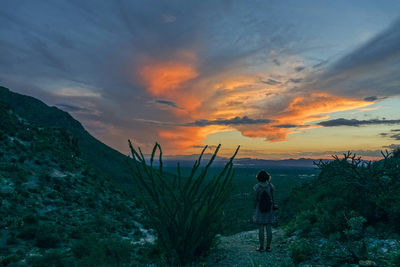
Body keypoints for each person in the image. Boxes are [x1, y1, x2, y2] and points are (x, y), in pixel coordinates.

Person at [253, 170, 275, 252]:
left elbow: (255, 199)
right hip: (269, 209)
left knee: (261, 228)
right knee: (269, 228)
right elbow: (272, 197)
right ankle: (268, 247)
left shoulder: (257, 187)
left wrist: (254, 206)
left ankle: (261, 247)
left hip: (260, 209)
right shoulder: (270, 186)